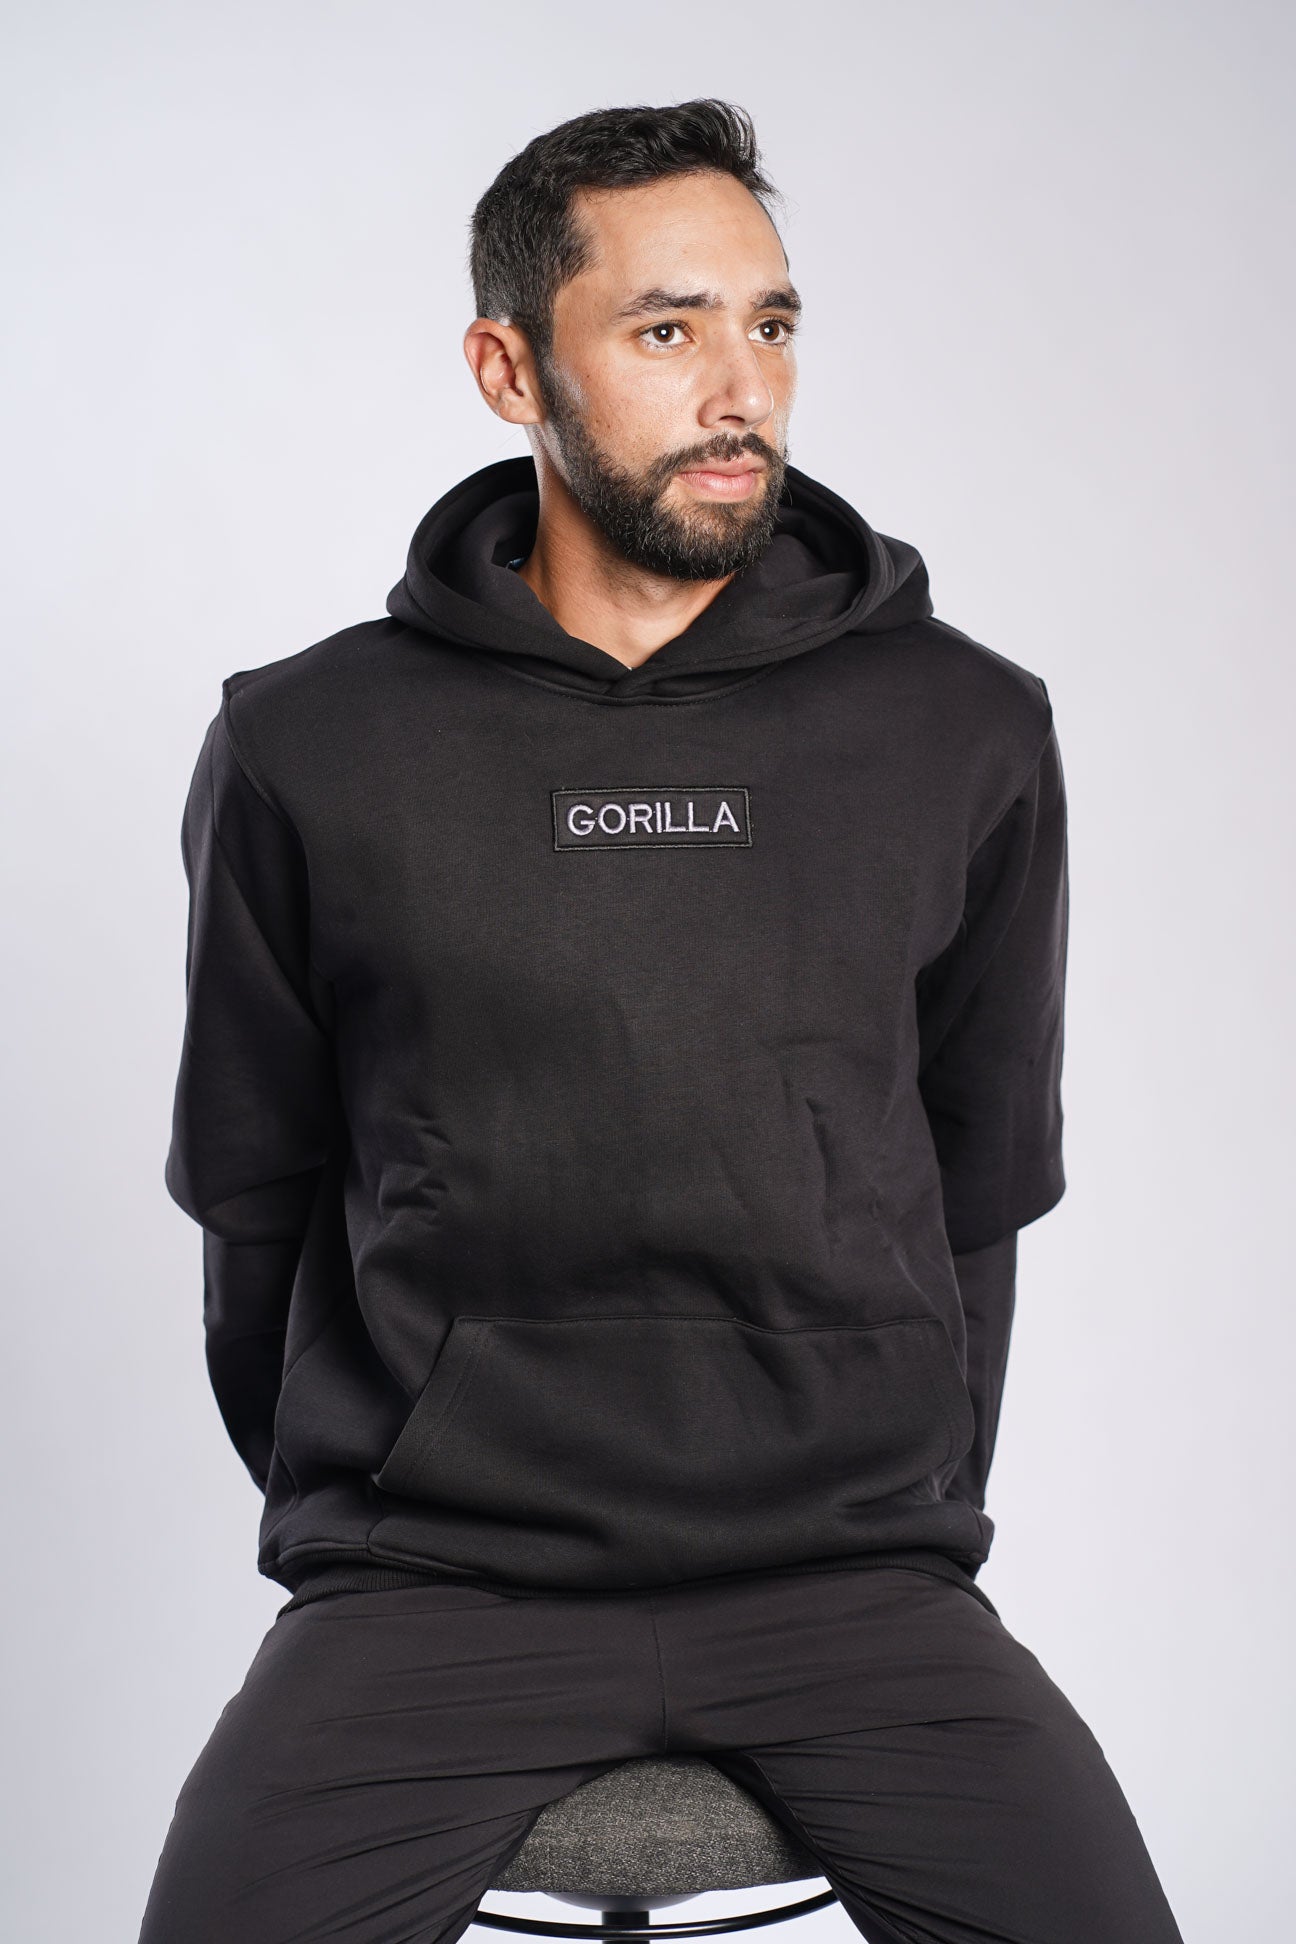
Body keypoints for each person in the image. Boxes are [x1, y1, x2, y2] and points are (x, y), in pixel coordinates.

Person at [138, 99, 1184, 1944]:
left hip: (851, 1579)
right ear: (508, 370)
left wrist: (896, 1492)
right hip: (436, 1583)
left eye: (769, 325)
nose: (739, 387)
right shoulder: (310, 743)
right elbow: (256, 1200)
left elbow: (980, 1189)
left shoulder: (963, 728)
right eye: (666, 328)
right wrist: (376, 1495)